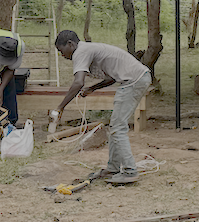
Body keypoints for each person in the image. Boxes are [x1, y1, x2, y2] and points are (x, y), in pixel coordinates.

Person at [52, 30, 151, 185]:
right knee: (115, 127)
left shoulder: (80, 51)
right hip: (136, 79)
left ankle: (130, 171)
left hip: (133, 81)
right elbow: (111, 78)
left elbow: (78, 82)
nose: (62, 55)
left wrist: (60, 107)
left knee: (118, 128)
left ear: (70, 44)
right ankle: (113, 168)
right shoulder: (87, 49)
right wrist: (93, 88)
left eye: (61, 50)